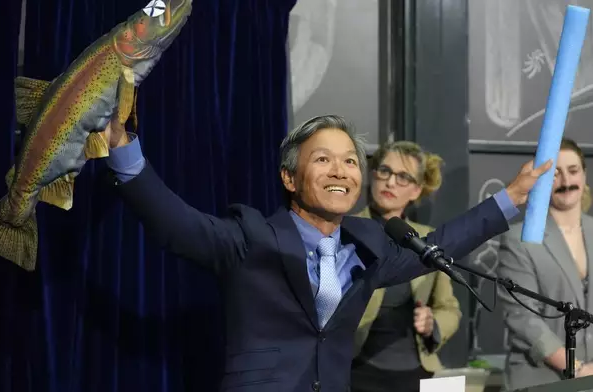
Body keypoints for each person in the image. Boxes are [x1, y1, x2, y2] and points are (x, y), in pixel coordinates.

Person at [103, 113, 549, 392]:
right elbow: (175, 224)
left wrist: (509, 197)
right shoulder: (250, 237)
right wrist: (124, 150)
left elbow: (439, 245)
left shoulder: (370, 245)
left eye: (351, 161)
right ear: (290, 178)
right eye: (323, 160)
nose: (340, 170)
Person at [350, 141, 460, 392]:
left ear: (416, 190)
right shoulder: (346, 229)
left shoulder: (428, 240)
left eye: (403, 177)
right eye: (385, 171)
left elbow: (449, 308)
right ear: (373, 175)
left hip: (419, 375)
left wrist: (433, 323)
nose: (390, 183)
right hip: (355, 372)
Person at [497, 138, 593, 391]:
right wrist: (576, 368)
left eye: (573, 171)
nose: (566, 182)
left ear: (584, 175)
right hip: (540, 379)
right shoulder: (519, 239)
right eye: (555, 174)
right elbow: (521, 315)